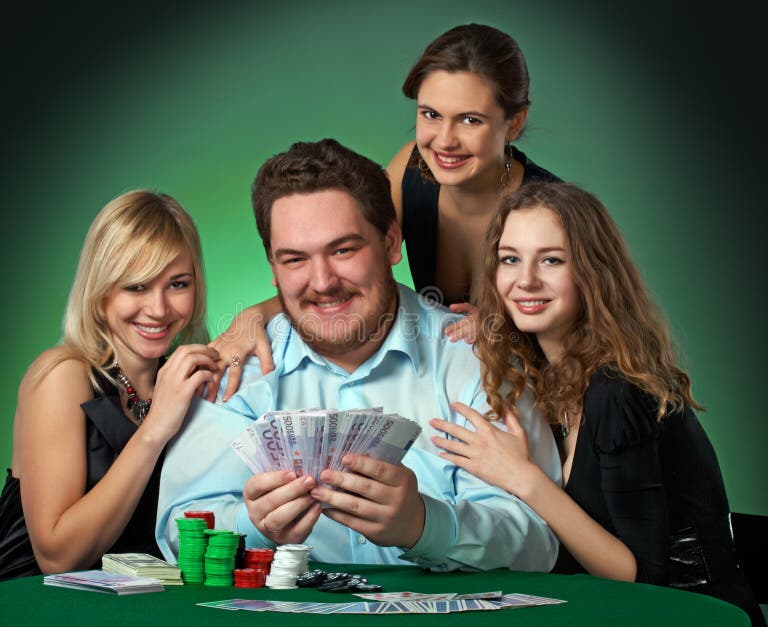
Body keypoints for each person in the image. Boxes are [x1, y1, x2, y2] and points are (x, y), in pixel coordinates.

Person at [156, 138, 561, 572]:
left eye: (343, 250)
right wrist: (252, 526)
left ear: (390, 243)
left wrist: (426, 525)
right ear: (273, 268)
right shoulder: (239, 372)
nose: (323, 281)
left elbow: (539, 540)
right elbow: (178, 531)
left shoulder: (475, 359)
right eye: (294, 259)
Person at [429, 182, 765, 625]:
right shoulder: (547, 378)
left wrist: (523, 478)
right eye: (510, 259)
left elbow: (640, 575)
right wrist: (490, 325)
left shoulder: (617, 389)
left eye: (552, 260)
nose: (525, 279)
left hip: (692, 616)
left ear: (593, 272)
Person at [209, 23, 560, 402]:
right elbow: (345, 255)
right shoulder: (411, 168)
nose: (444, 140)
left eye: (470, 120)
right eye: (430, 115)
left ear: (514, 123)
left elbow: (592, 336)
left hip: (552, 396)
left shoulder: (551, 210)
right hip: (470, 382)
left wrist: (513, 329)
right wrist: (256, 315)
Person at [0, 191, 219, 588]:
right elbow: (58, 556)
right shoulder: (60, 376)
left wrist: (258, 316)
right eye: (136, 287)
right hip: (30, 603)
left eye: (177, 284)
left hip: (133, 606)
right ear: (100, 290)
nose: (158, 309)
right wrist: (154, 430)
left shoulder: (179, 377)